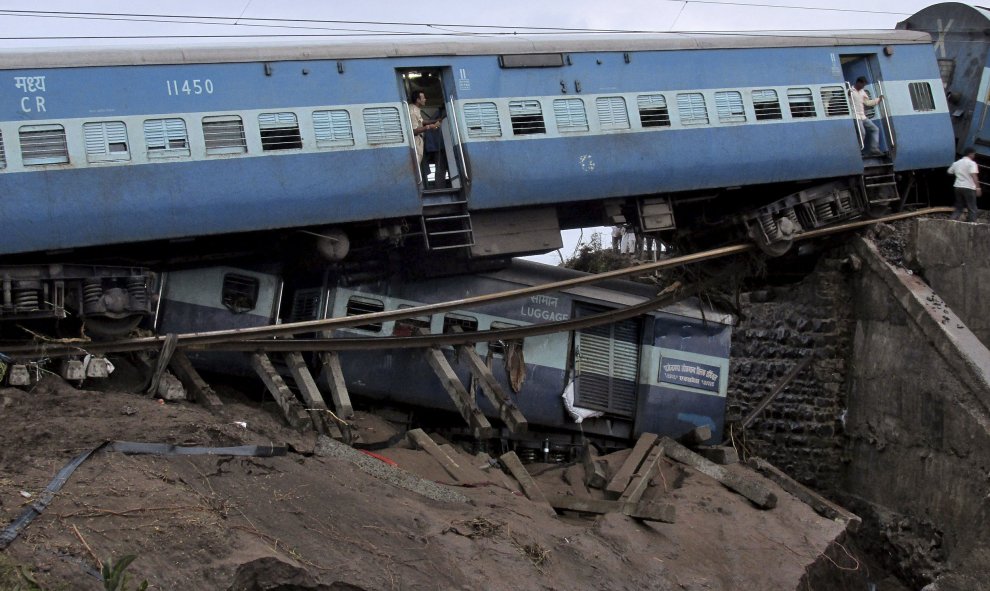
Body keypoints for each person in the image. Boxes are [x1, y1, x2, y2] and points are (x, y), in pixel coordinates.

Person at [849, 76, 884, 157]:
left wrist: (878, 100)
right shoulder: (850, 91)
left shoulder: (862, 92)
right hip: (855, 116)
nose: (863, 86)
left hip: (862, 116)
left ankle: (874, 148)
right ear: (858, 82)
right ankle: (858, 151)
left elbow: (867, 103)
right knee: (862, 133)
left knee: (875, 129)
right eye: (863, 84)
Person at [948, 147, 981, 222]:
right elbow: (974, 176)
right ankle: (971, 224)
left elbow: (949, 171)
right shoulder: (972, 163)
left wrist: (959, 174)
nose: (974, 156)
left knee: (959, 208)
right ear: (970, 154)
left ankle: (950, 222)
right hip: (969, 188)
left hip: (957, 187)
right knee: (972, 208)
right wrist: (978, 188)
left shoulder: (956, 163)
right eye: (974, 154)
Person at [408, 91, 440, 165]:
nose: (425, 99)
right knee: (416, 163)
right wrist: (429, 127)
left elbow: (421, 122)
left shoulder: (414, 108)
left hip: (419, 139)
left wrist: (435, 120)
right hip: (416, 140)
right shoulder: (412, 112)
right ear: (418, 100)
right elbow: (414, 131)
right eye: (423, 98)